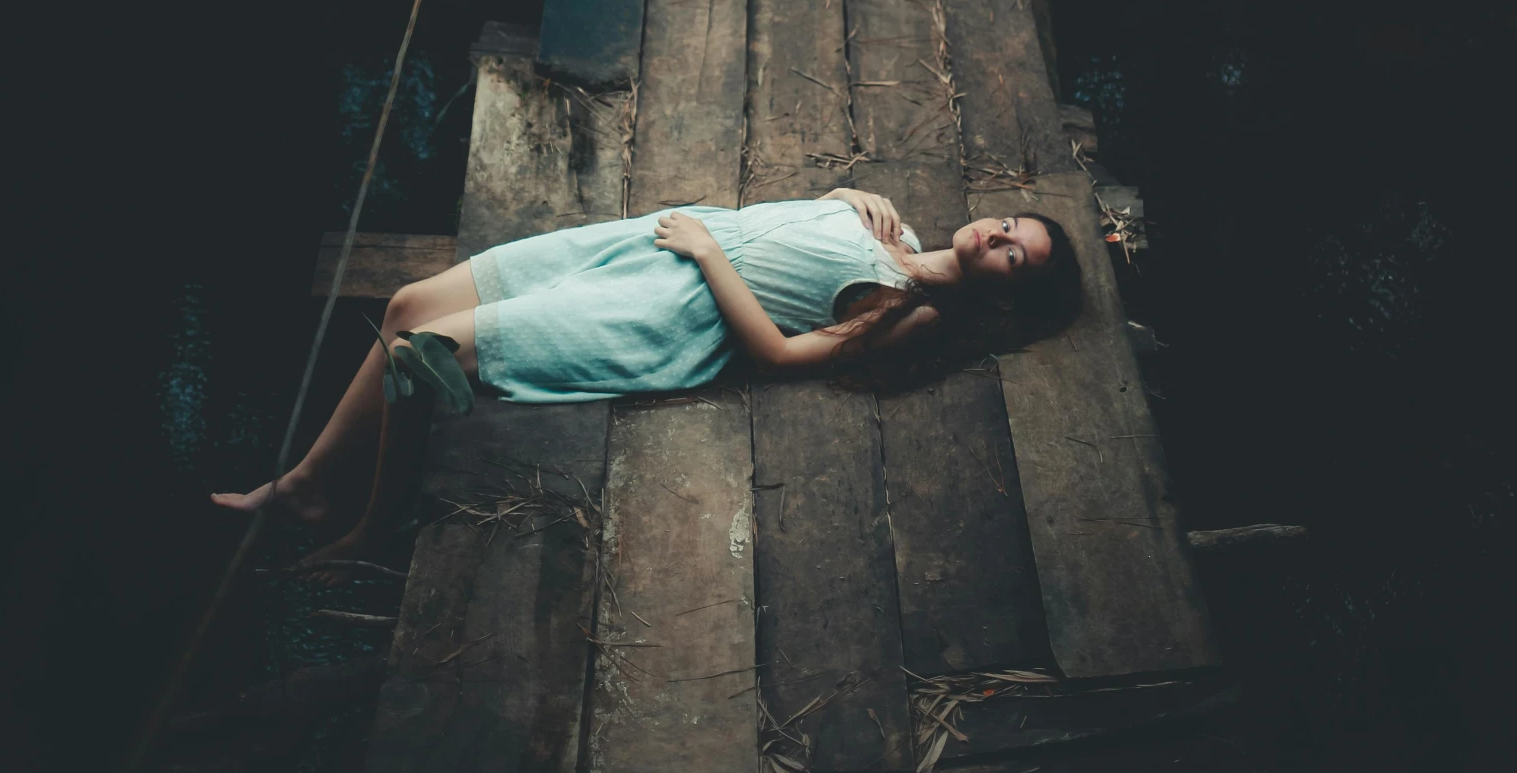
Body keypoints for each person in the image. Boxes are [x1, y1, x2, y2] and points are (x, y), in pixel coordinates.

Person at [212, 187, 1081, 558]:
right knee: (406, 303)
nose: (995, 238)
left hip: (669, 307)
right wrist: (842, 195)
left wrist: (707, 255)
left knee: (424, 352)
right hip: (641, 244)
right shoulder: (888, 220)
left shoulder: (911, 314)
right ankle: (303, 485)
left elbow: (778, 356)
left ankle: (369, 524)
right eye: (1007, 225)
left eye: (1015, 258)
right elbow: (793, 237)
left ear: (1008, 297)